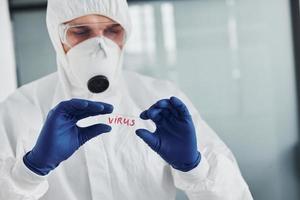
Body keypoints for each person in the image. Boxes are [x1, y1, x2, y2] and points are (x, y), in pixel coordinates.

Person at [0, 0, 253, 199]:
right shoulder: (20, 108)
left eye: (112, 30)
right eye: (80, 32)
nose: (100, 45)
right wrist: (29, 173)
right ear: (57, 38)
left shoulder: (160, 99)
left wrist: (195, 168)